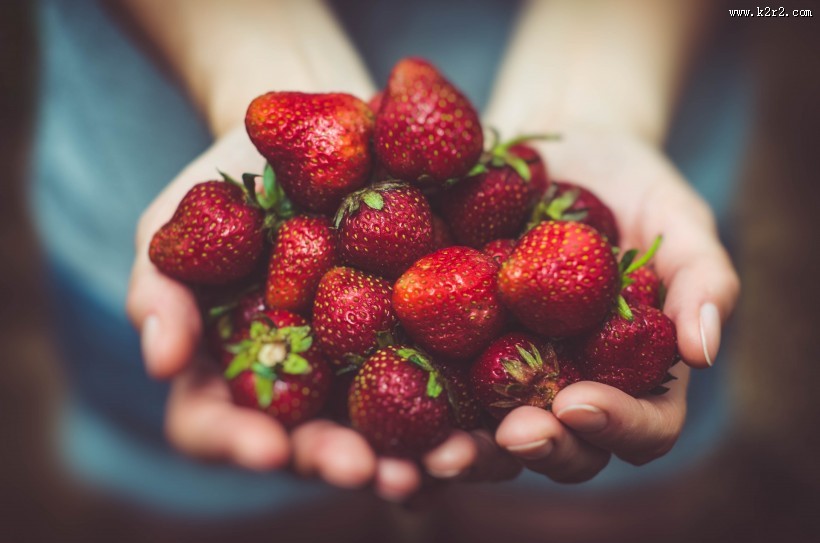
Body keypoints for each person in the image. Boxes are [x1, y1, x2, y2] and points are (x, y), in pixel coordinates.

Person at [32, 0, 740, 514]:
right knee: (229, 517)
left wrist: (597, 102)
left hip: (646, 84)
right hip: (141, 150)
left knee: (582, 517)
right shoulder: (343, 244)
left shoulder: (502, 254)